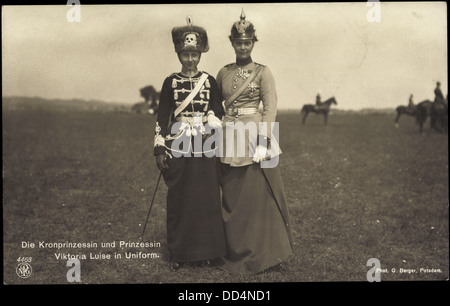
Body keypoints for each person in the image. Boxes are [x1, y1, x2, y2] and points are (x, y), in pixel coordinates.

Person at [215, 10, 293, 274]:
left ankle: (266, 255)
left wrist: (264, 141)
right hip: (228, 138)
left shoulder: (263, 72)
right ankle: (234, 250)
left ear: (253, 43)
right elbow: (216, 107)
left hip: (255, 138)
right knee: (233, 197)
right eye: (239, 42)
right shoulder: (223, 73)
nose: (243, 46)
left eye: (247, 42)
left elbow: (270, 108)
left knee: (259, 199)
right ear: (233, 43)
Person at [153, 17, 226, 270]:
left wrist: (212, 116)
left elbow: (217, 106)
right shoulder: (169, 81)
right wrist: (160, 147)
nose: (191, 59)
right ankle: (180, 253)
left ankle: (210, 251)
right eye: (185, 54)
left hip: (205, 142)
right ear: (178, 53)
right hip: (179, 143)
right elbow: (163, 116)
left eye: (194, 54)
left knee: (206, 197)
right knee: (181, 197)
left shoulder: (209, 81)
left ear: (200, 53)